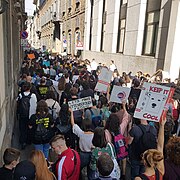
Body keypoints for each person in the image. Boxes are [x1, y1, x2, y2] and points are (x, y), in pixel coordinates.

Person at [135, 113, 167, 180]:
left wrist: (162, 126)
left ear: (144, 162)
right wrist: (162, 126)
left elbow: (160, 146)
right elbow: (160, 146)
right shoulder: (160, 171)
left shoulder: (139, 179)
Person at [17, 81, 37, 149]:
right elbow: (34, 106)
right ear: (30, 88)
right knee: (30, 129)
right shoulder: (33, 95)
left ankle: (22, 141)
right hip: (30, 115)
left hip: (22, 115)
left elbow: (18, 104)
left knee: (23, 129)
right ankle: (28, 141)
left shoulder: (20, 95)